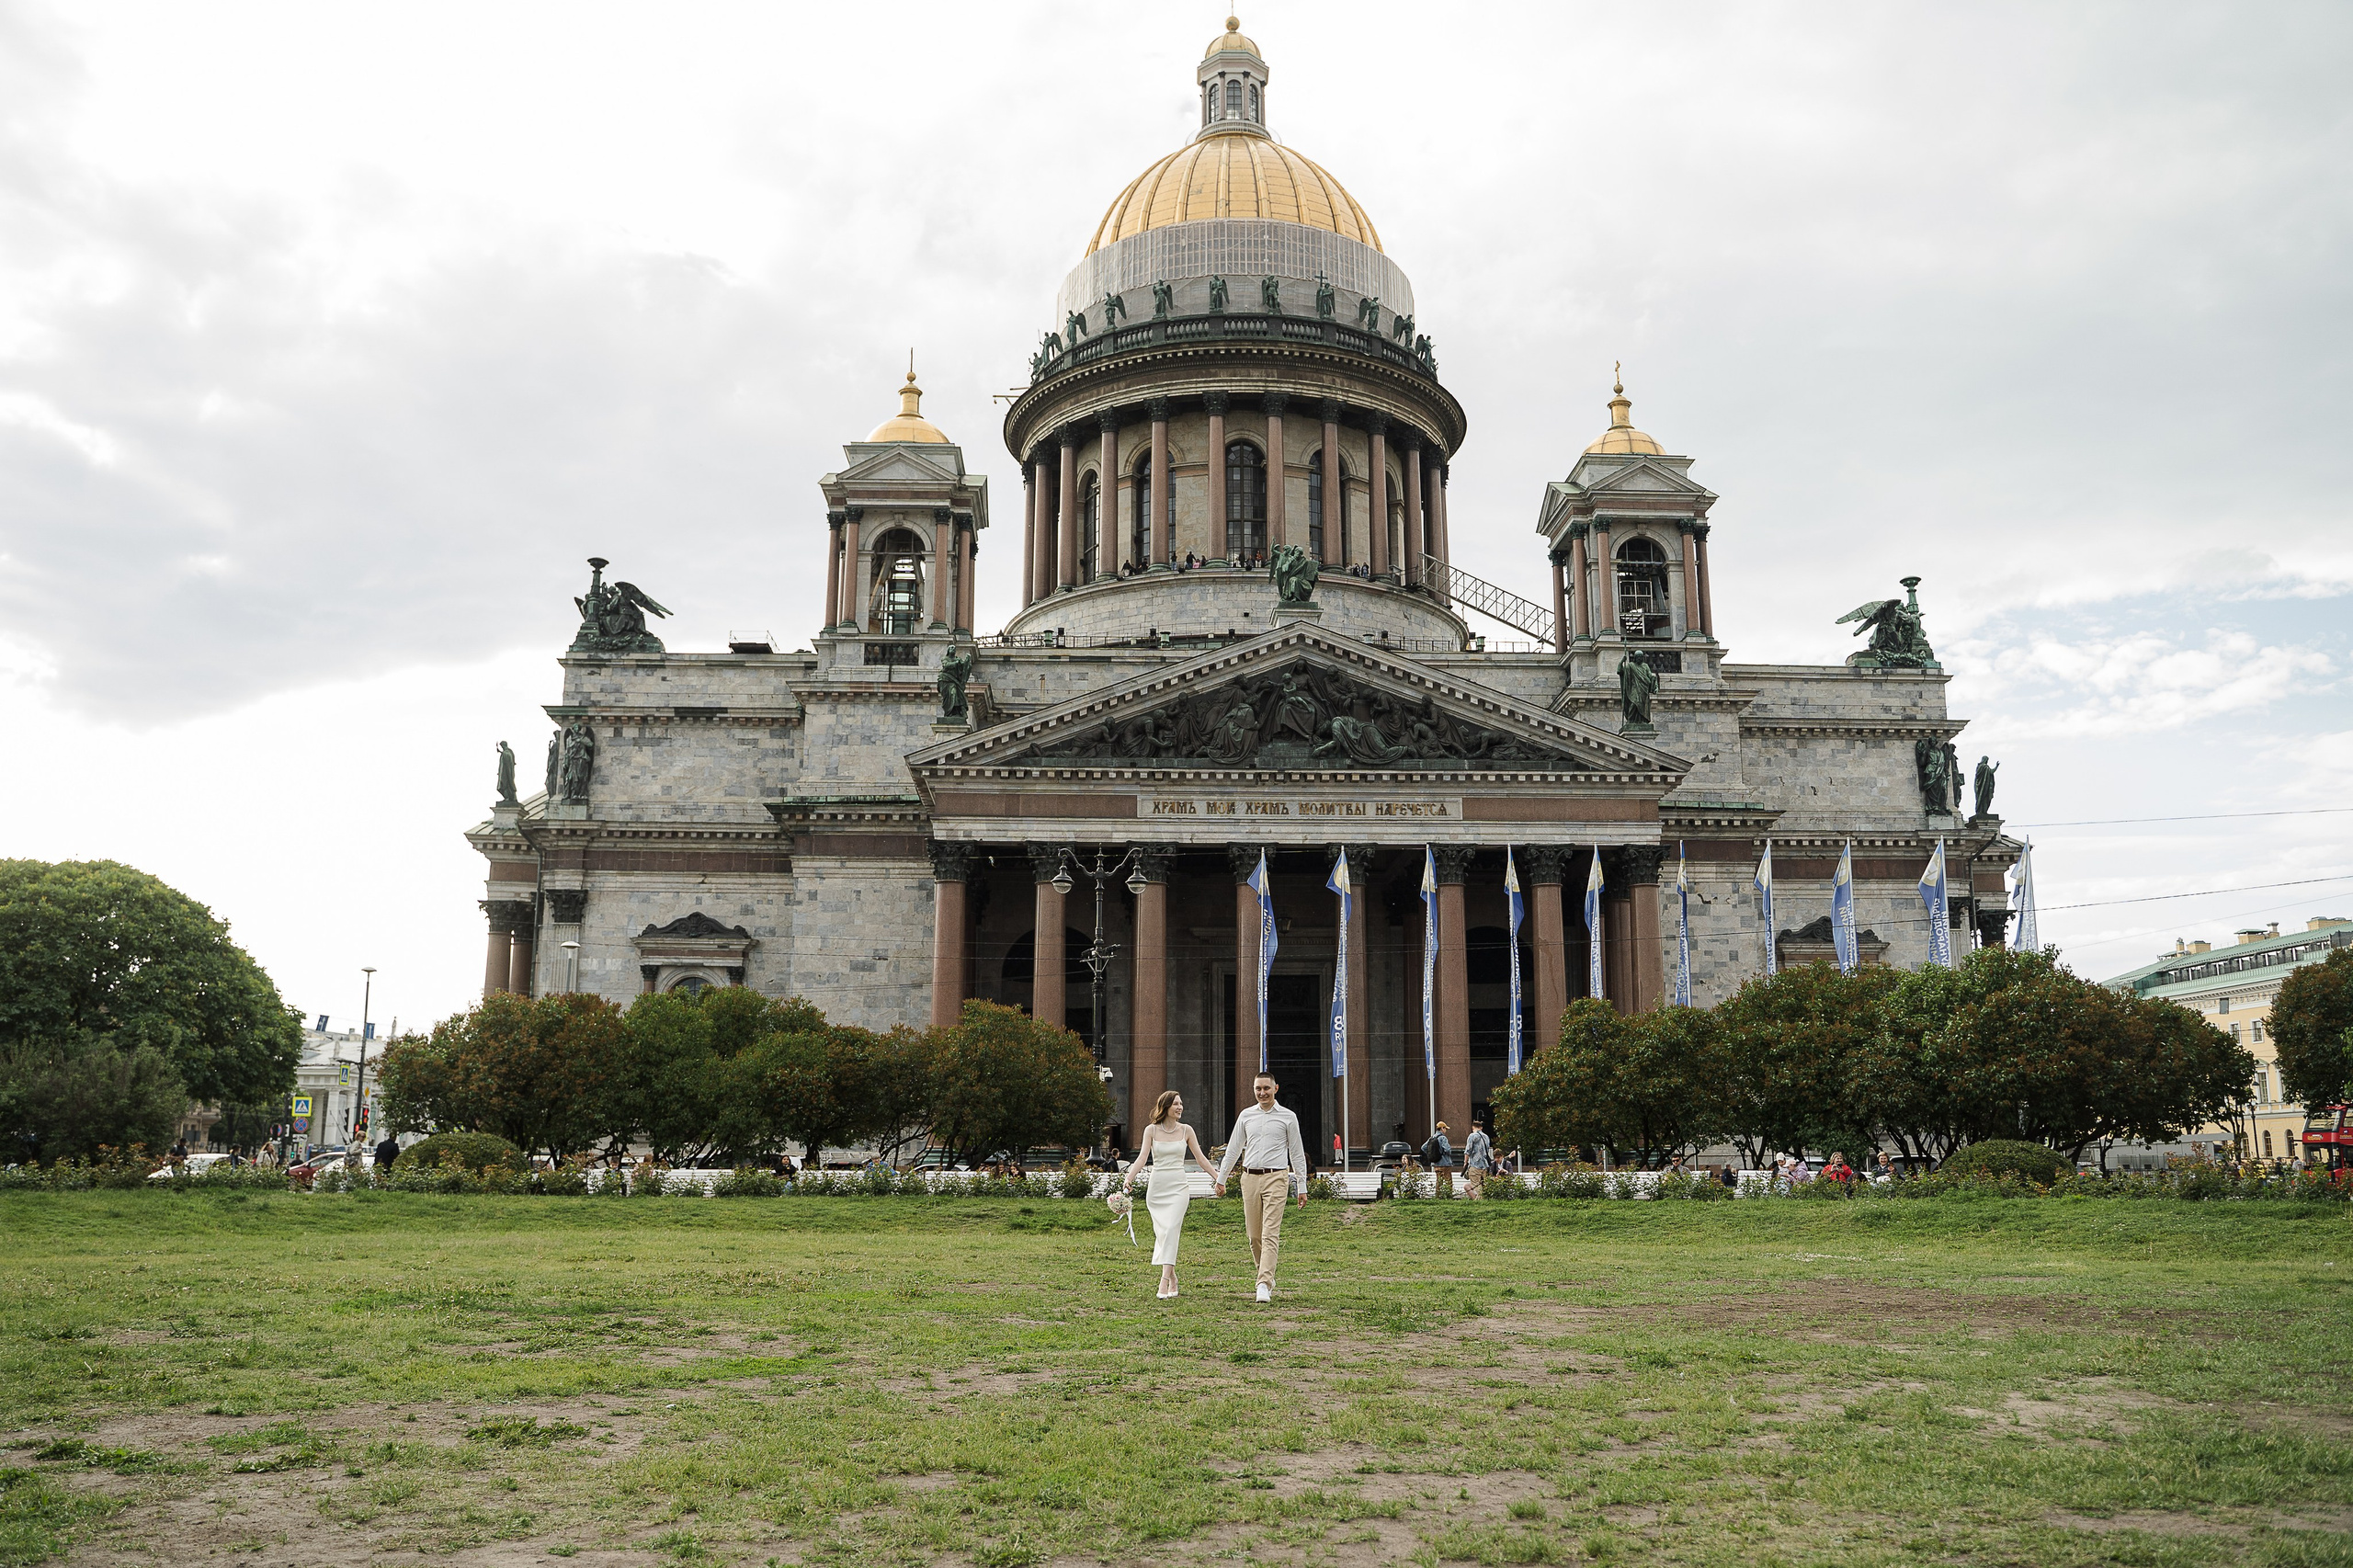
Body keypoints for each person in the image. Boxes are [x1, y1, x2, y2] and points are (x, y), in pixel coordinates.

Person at [1214, 1074, 1309, 1302]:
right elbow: (1234, 1149)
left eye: (1267, 1088)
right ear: (1254, 1089)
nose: (1262, 1093)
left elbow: (1297, 1153)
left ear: (1276, 1088)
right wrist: (1221, 1178)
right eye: (1258, 1089)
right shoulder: (1246, 1116)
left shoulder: (1288, 1117)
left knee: (1270, 1234)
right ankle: (1265, 1273)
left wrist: (1302, 1185)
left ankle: (1263, 1283)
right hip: (1249, 1178)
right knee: (1254, 1236)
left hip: (1276, 1178)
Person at [1124, 1090, 1217, 1300]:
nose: (1180, 1107)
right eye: (1176, 1103)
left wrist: (1217, 1177)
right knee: (1163, 1234)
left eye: (1181, 1103)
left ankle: (1164, 1281)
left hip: (1178, 1187)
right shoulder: (1151, 1131)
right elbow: (1141, 1159)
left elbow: (1201, 1159)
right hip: (1157, 1189)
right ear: (1166, 1106)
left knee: (1172, 1229)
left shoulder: (1186, 1130)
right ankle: (1173, 1277)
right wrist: (1128, 1178)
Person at [1462, 1120, 1493, 1199]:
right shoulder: (1486, 1137)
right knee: (1484, 1185)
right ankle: (1486, 1201)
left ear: (1473, 1127)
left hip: (1475, 1165)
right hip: (1485, 1165)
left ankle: (1480, 1203)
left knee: (1476, 1185)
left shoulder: (1472, 1136)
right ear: (1481, 1127)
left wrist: (1465, 1162)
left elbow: (1468, 1150)